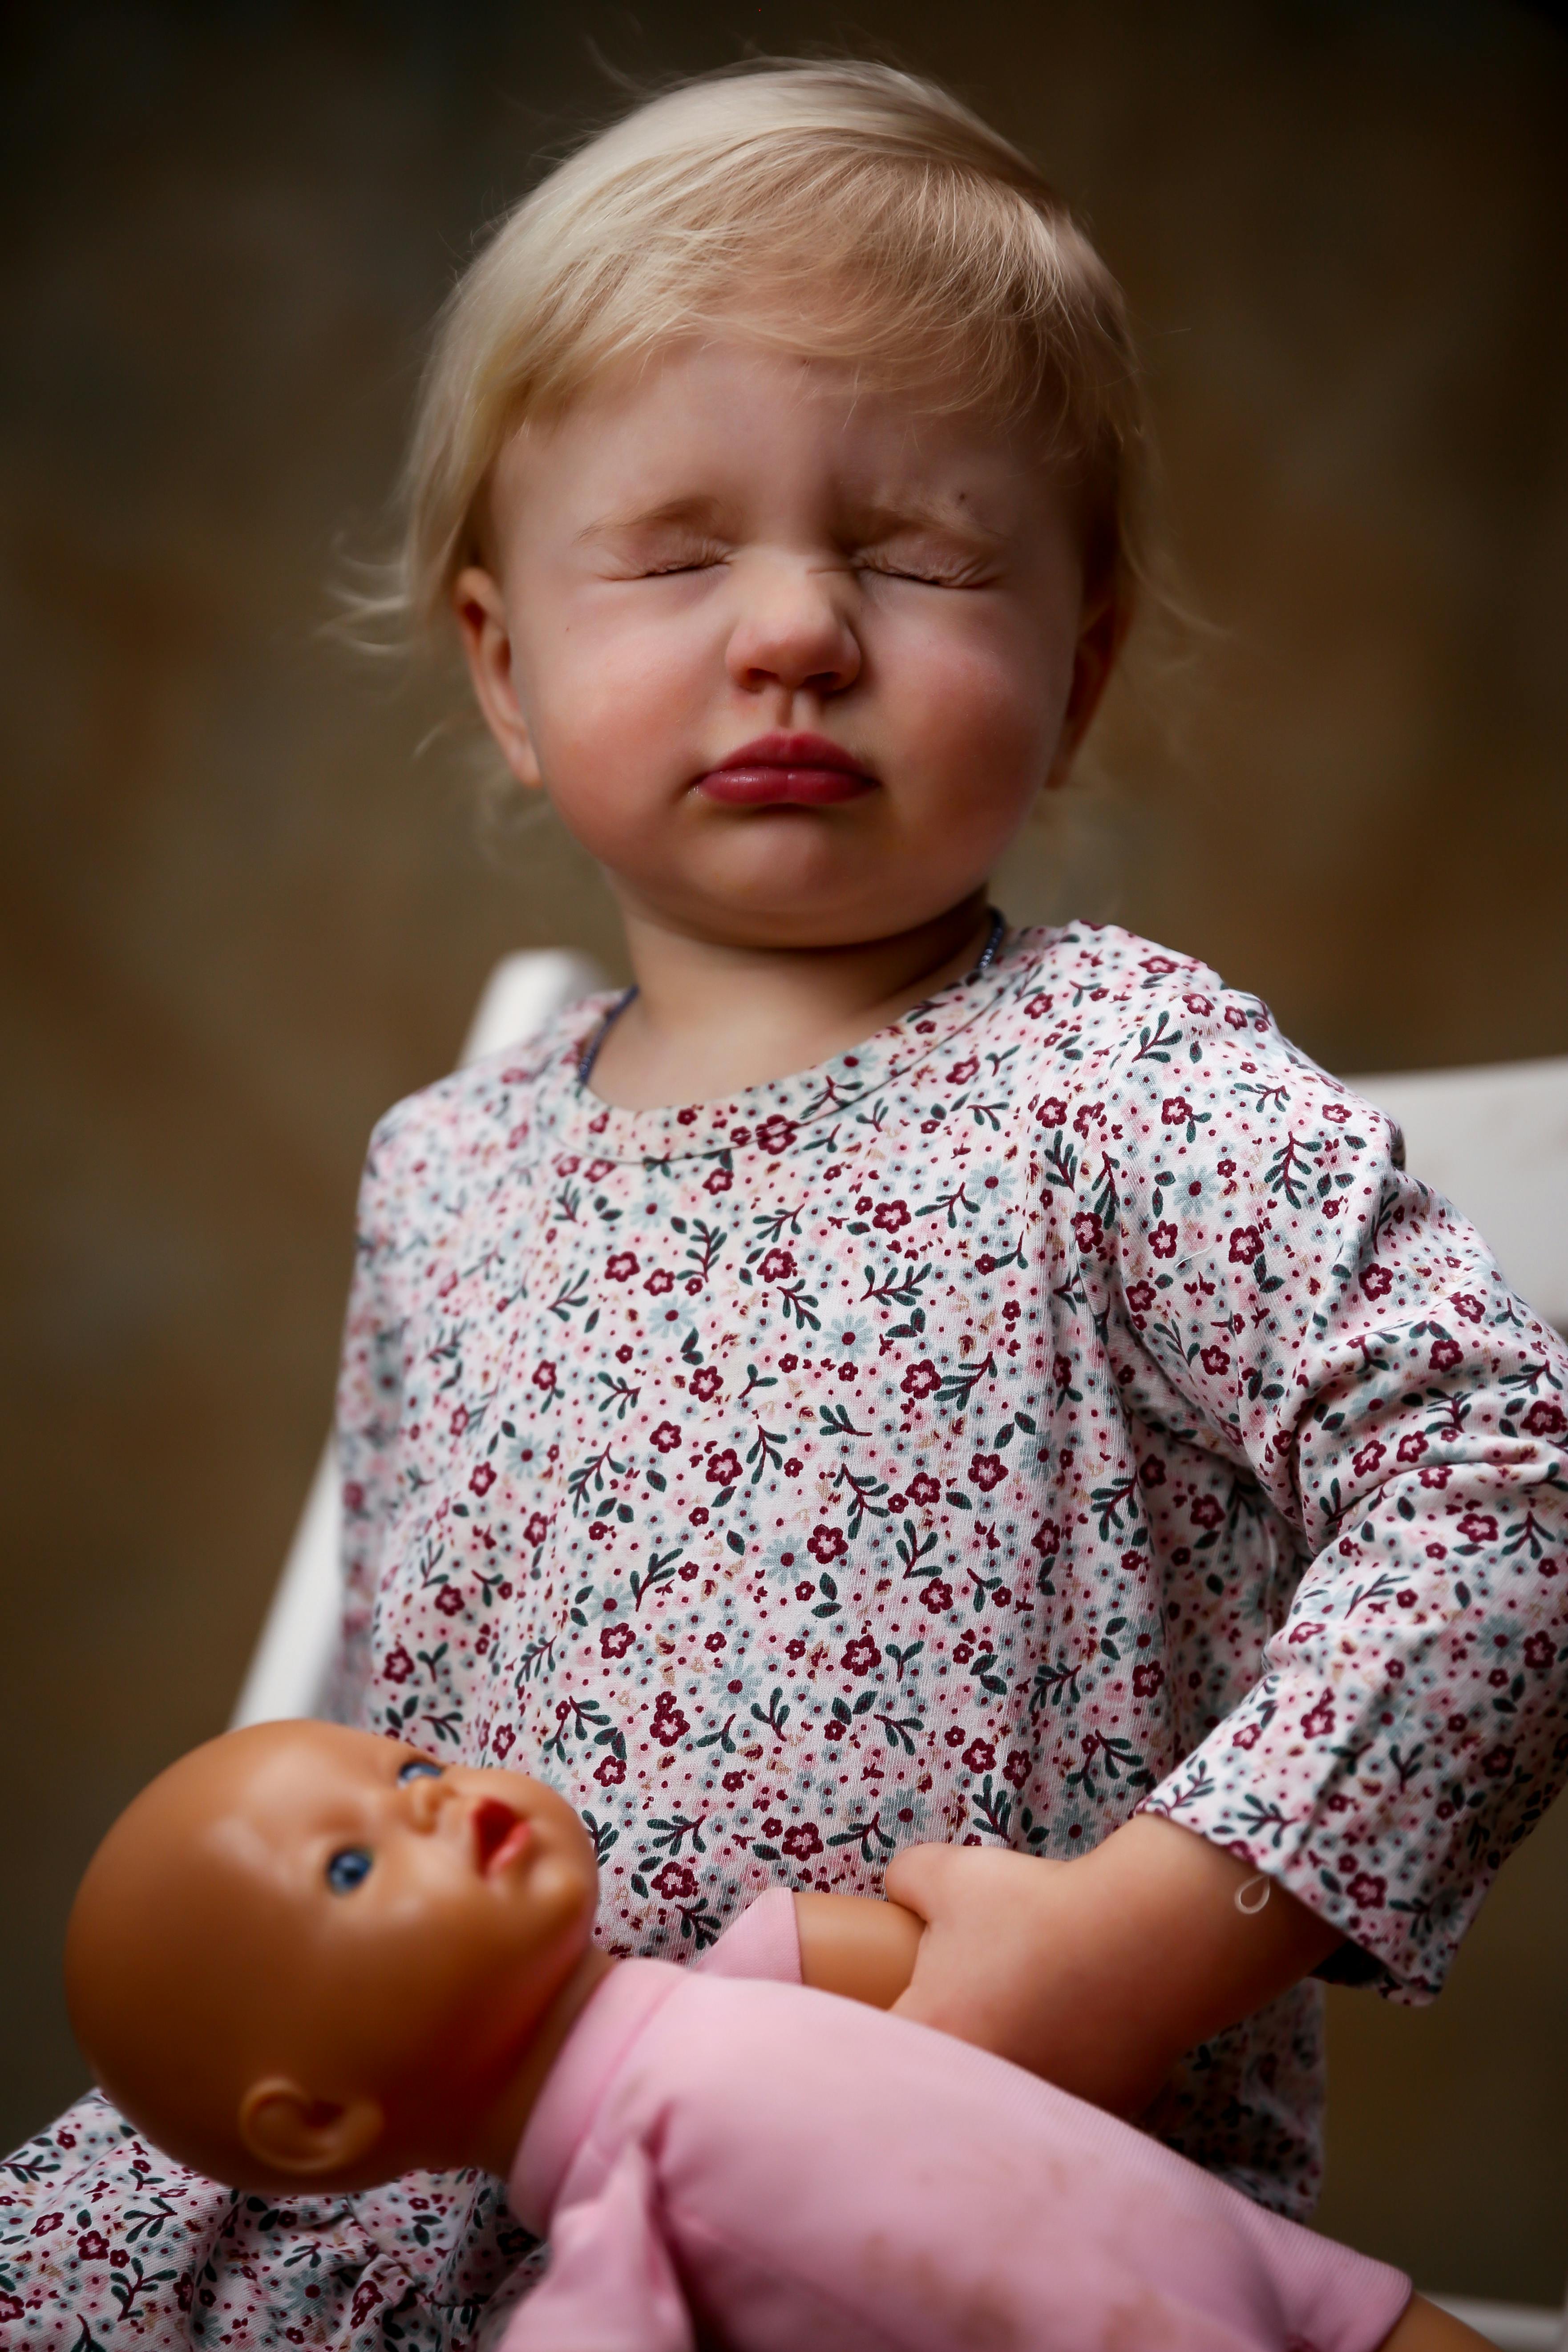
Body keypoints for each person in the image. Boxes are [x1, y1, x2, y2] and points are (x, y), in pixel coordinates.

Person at [6, 57, 1567, 2349]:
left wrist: (1133, 1941)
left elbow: (1507, 1479)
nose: (795, 631)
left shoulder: (1107, 1076)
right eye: (670, 549)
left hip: (954, 2207)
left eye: (919, 554)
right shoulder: (443, 1174)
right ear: (503, 663)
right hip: (478, 2196)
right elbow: (377, 1720)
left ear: (1080, 657)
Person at [64, 1718, 1486, 2352]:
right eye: (352, 1870)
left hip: (1313, 2298)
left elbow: (965, 1972)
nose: (430, 1804)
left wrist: (1029, 1917)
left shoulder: (758, 1970)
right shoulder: (627, 2225)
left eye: (411, 1768)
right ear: (315, 2126)